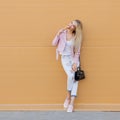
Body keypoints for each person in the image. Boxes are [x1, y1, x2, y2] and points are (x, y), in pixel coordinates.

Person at [52, 19, 83, 112]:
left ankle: (71, 104)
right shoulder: (62, 33)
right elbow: (53, 44)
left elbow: (77, 53)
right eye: (70, 23)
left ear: (75, 29)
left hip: (73, 60)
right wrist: (58, 33)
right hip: (65, 59)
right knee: (70, 76)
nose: (70, 25)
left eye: (73, 24)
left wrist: (75, 63)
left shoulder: (77, 37)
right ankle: (68, 96)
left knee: (75, 80)